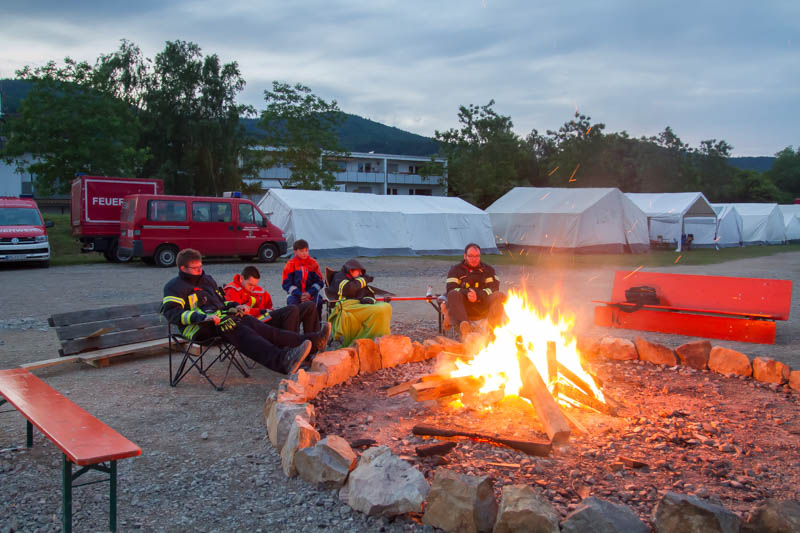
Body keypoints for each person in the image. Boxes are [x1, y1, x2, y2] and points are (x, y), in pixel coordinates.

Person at [161, 249, 330, 375]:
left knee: (262, 328)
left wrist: (236, 306)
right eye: (195, 268)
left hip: (222, 320)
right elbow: (172, 314)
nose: (200, 270)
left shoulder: (207, 280)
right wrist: (203, 317)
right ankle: (282, 361)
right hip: (200, 328)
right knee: (242, 331)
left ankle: (314, 341)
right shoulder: (174, 287)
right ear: (183, 268)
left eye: (200, 266)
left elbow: (221, 303)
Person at [224, 265, 321, 335]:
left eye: (255, 285)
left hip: (267, 319)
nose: (252, 288)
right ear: (241, 279)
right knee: (292, 309)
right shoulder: (232, 290)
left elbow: (269, 308)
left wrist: (267, 311)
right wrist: (261, 311)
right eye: (250, 285)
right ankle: (292, 347)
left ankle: (314, 342)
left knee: (309, 305)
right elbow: (237, 313)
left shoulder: (260, 291)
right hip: (255, 324)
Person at [446, 243, 505, 340]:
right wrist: (466, 293)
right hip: (464, 307)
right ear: (465, 256)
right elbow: (451, 288)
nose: (474, 259)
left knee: (499, 295)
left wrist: (478, 295)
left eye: (477, 256)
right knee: (452, 294)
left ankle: (492, 331)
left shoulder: (488, 270)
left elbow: (494, 288)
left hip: (483, 304)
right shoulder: (455, 270)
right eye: (471, 256)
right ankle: (465, 327)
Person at [328, 259, 392, 347]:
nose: (360, 274)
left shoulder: (357, 279)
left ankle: (379, 338)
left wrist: (369, 299)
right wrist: (364, 280)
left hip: (358, 305)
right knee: (379, 309)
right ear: (351, 270)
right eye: (358, 271)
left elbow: (368, 292)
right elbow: (348, 289)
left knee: (386, 306)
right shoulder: (339, 277)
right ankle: (368, 340)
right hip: (346, 306)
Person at [282, 239, 324, 317]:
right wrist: (300, 294)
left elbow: (319, 282)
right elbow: (286, 284)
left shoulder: (313, 263)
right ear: (295, 252)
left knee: (318, 301)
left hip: (311, 294)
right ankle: (294, 326)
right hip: (295, 294)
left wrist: (309, 293)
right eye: (301, 251)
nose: (304, 253)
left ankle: (317, 325)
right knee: (292, 306)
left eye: (306, 250)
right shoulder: (290, 264)